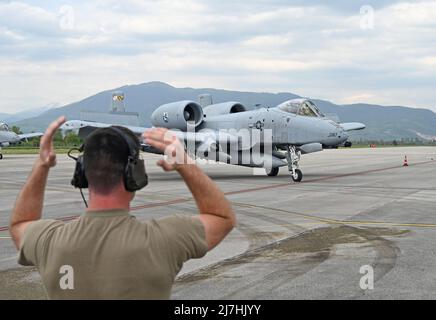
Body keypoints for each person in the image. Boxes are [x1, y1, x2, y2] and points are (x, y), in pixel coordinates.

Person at [9, 116, 236, 299]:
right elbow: (222, 217)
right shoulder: (165, 240)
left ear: (81, 173)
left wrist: (42, 165)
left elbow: (20, 224)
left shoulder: (48, 241)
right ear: (135, 173)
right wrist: (183, 161)